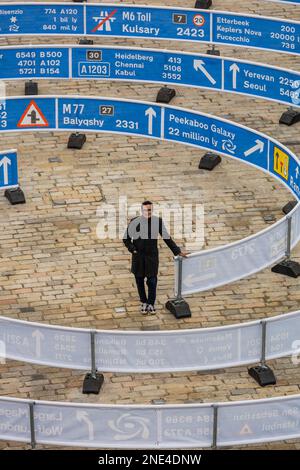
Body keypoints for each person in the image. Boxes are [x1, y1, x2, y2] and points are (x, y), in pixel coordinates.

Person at [123, 201, 188, 315]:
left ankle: (151, 303)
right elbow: (126, 239)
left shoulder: (157, 222)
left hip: (151, 257)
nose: (147, 212)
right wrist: (132, 249)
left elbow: (166, 237)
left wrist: (177, 251)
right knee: (139, 281)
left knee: (152, 281)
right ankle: (143, 302)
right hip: (138, 257)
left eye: (149, 210)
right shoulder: (134, 222)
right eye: (145, 210)